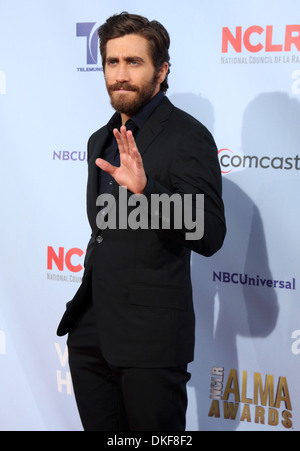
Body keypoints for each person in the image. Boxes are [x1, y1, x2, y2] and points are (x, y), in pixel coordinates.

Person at [57, 12, 226, 431]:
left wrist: (147, 190)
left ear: (161, 70)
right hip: (92, 333)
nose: (121, 74)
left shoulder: (188, 136)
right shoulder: (101, 138)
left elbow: (210, 234)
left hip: (150, 341)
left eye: (134, 62)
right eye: (113, 63)